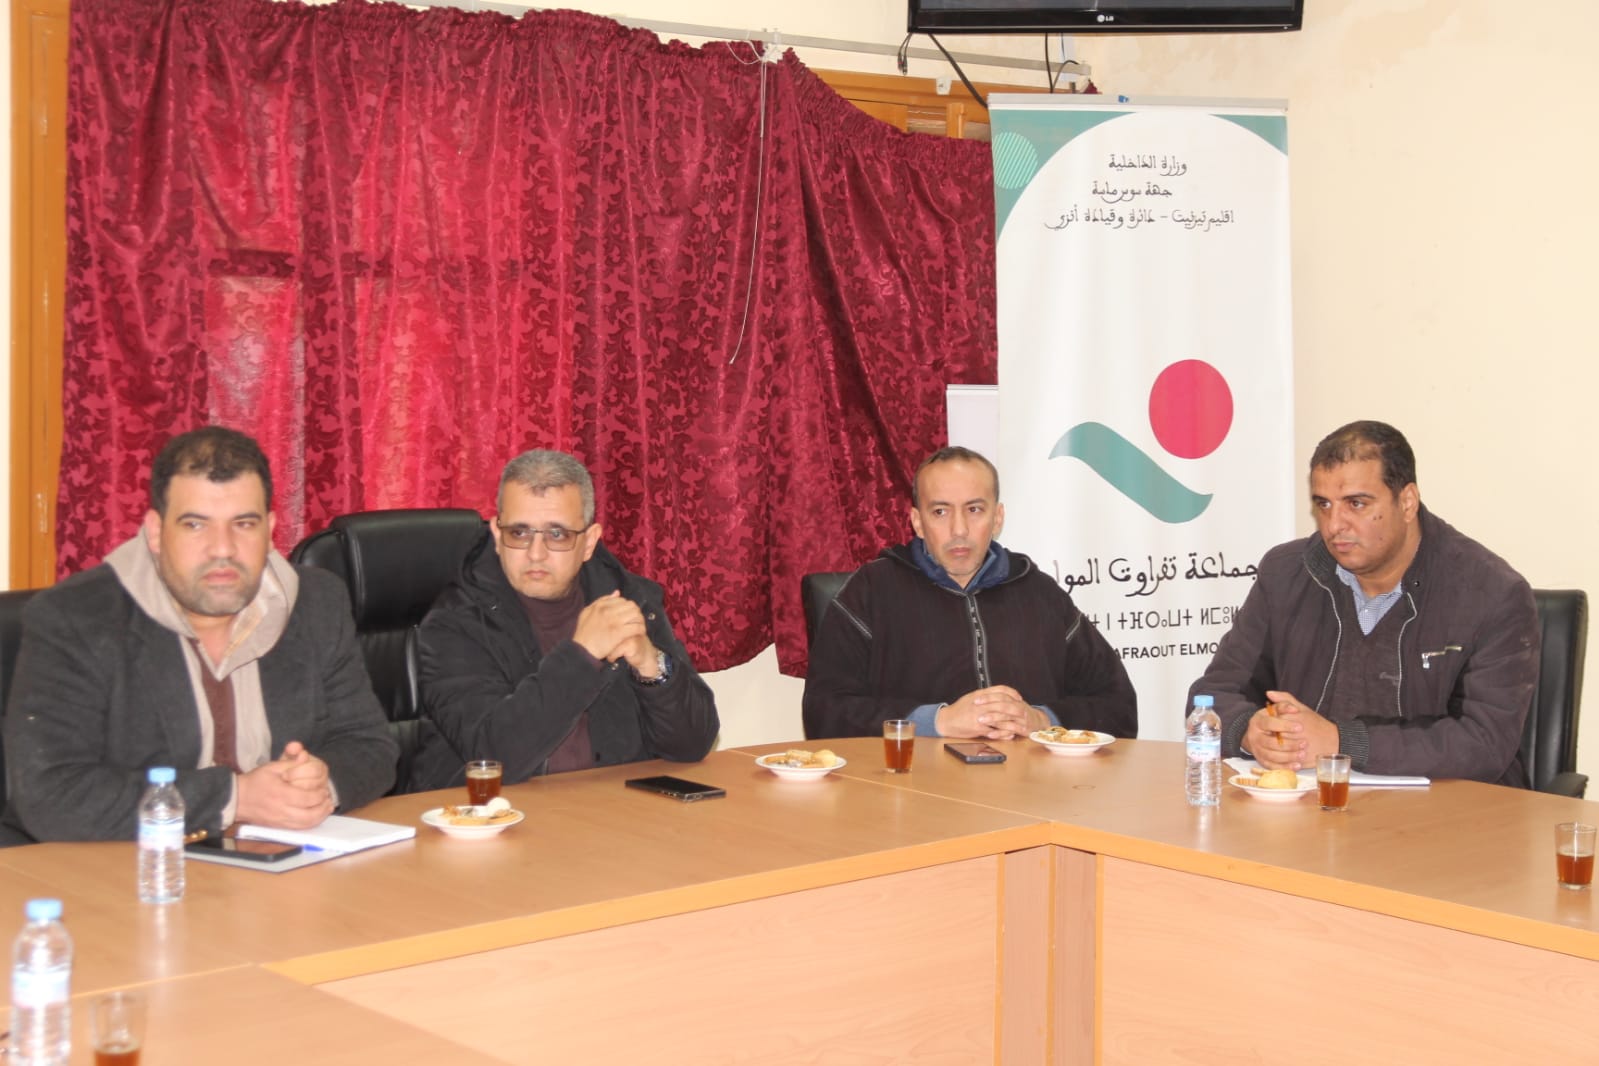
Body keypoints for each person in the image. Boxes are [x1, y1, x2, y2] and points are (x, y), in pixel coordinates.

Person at [1, 427, 397, 843]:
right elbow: (50, 795)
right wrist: (235, 798)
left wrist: (318, 784)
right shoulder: (77, 617)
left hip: (277, 861)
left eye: (244, 523)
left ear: (270, 529)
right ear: (156, 532)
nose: (222, 548)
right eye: (195, 524)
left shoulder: (315, 602)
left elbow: (370, 744)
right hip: (114, 866)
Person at [1189, 420, 1539, 786]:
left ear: (1407, 502)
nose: (1333, 525)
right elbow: (1212, 694)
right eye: (1323, 504)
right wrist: (1248, 731)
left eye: (1356, 504)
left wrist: (1341, 742)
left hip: (1447, 810)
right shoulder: (1286, 574)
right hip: (1311, 804)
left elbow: (1484, 744)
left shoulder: (1491, 593)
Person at [415, 450, 718, 785]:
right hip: (492, 811)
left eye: (557, 534)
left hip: (610, 806)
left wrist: (651, 663)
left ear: (589, 543)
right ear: (497, 537)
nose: (535, 553)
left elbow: (693, 745)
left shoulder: (627, 599)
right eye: (519, 533)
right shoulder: (454, 623)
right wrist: (582, 656)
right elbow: (494, 759)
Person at [802, 446, 1137, 741]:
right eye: (940, 511)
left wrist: (1042, 720)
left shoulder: (1041, 594)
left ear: (997, 517)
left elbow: (1118, 705)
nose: (959, 529)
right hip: (911, 785)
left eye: (974, 509)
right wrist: (936, 722)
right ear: (917, 522)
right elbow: (823, 712)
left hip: (1030, 784)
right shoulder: (871, 592)